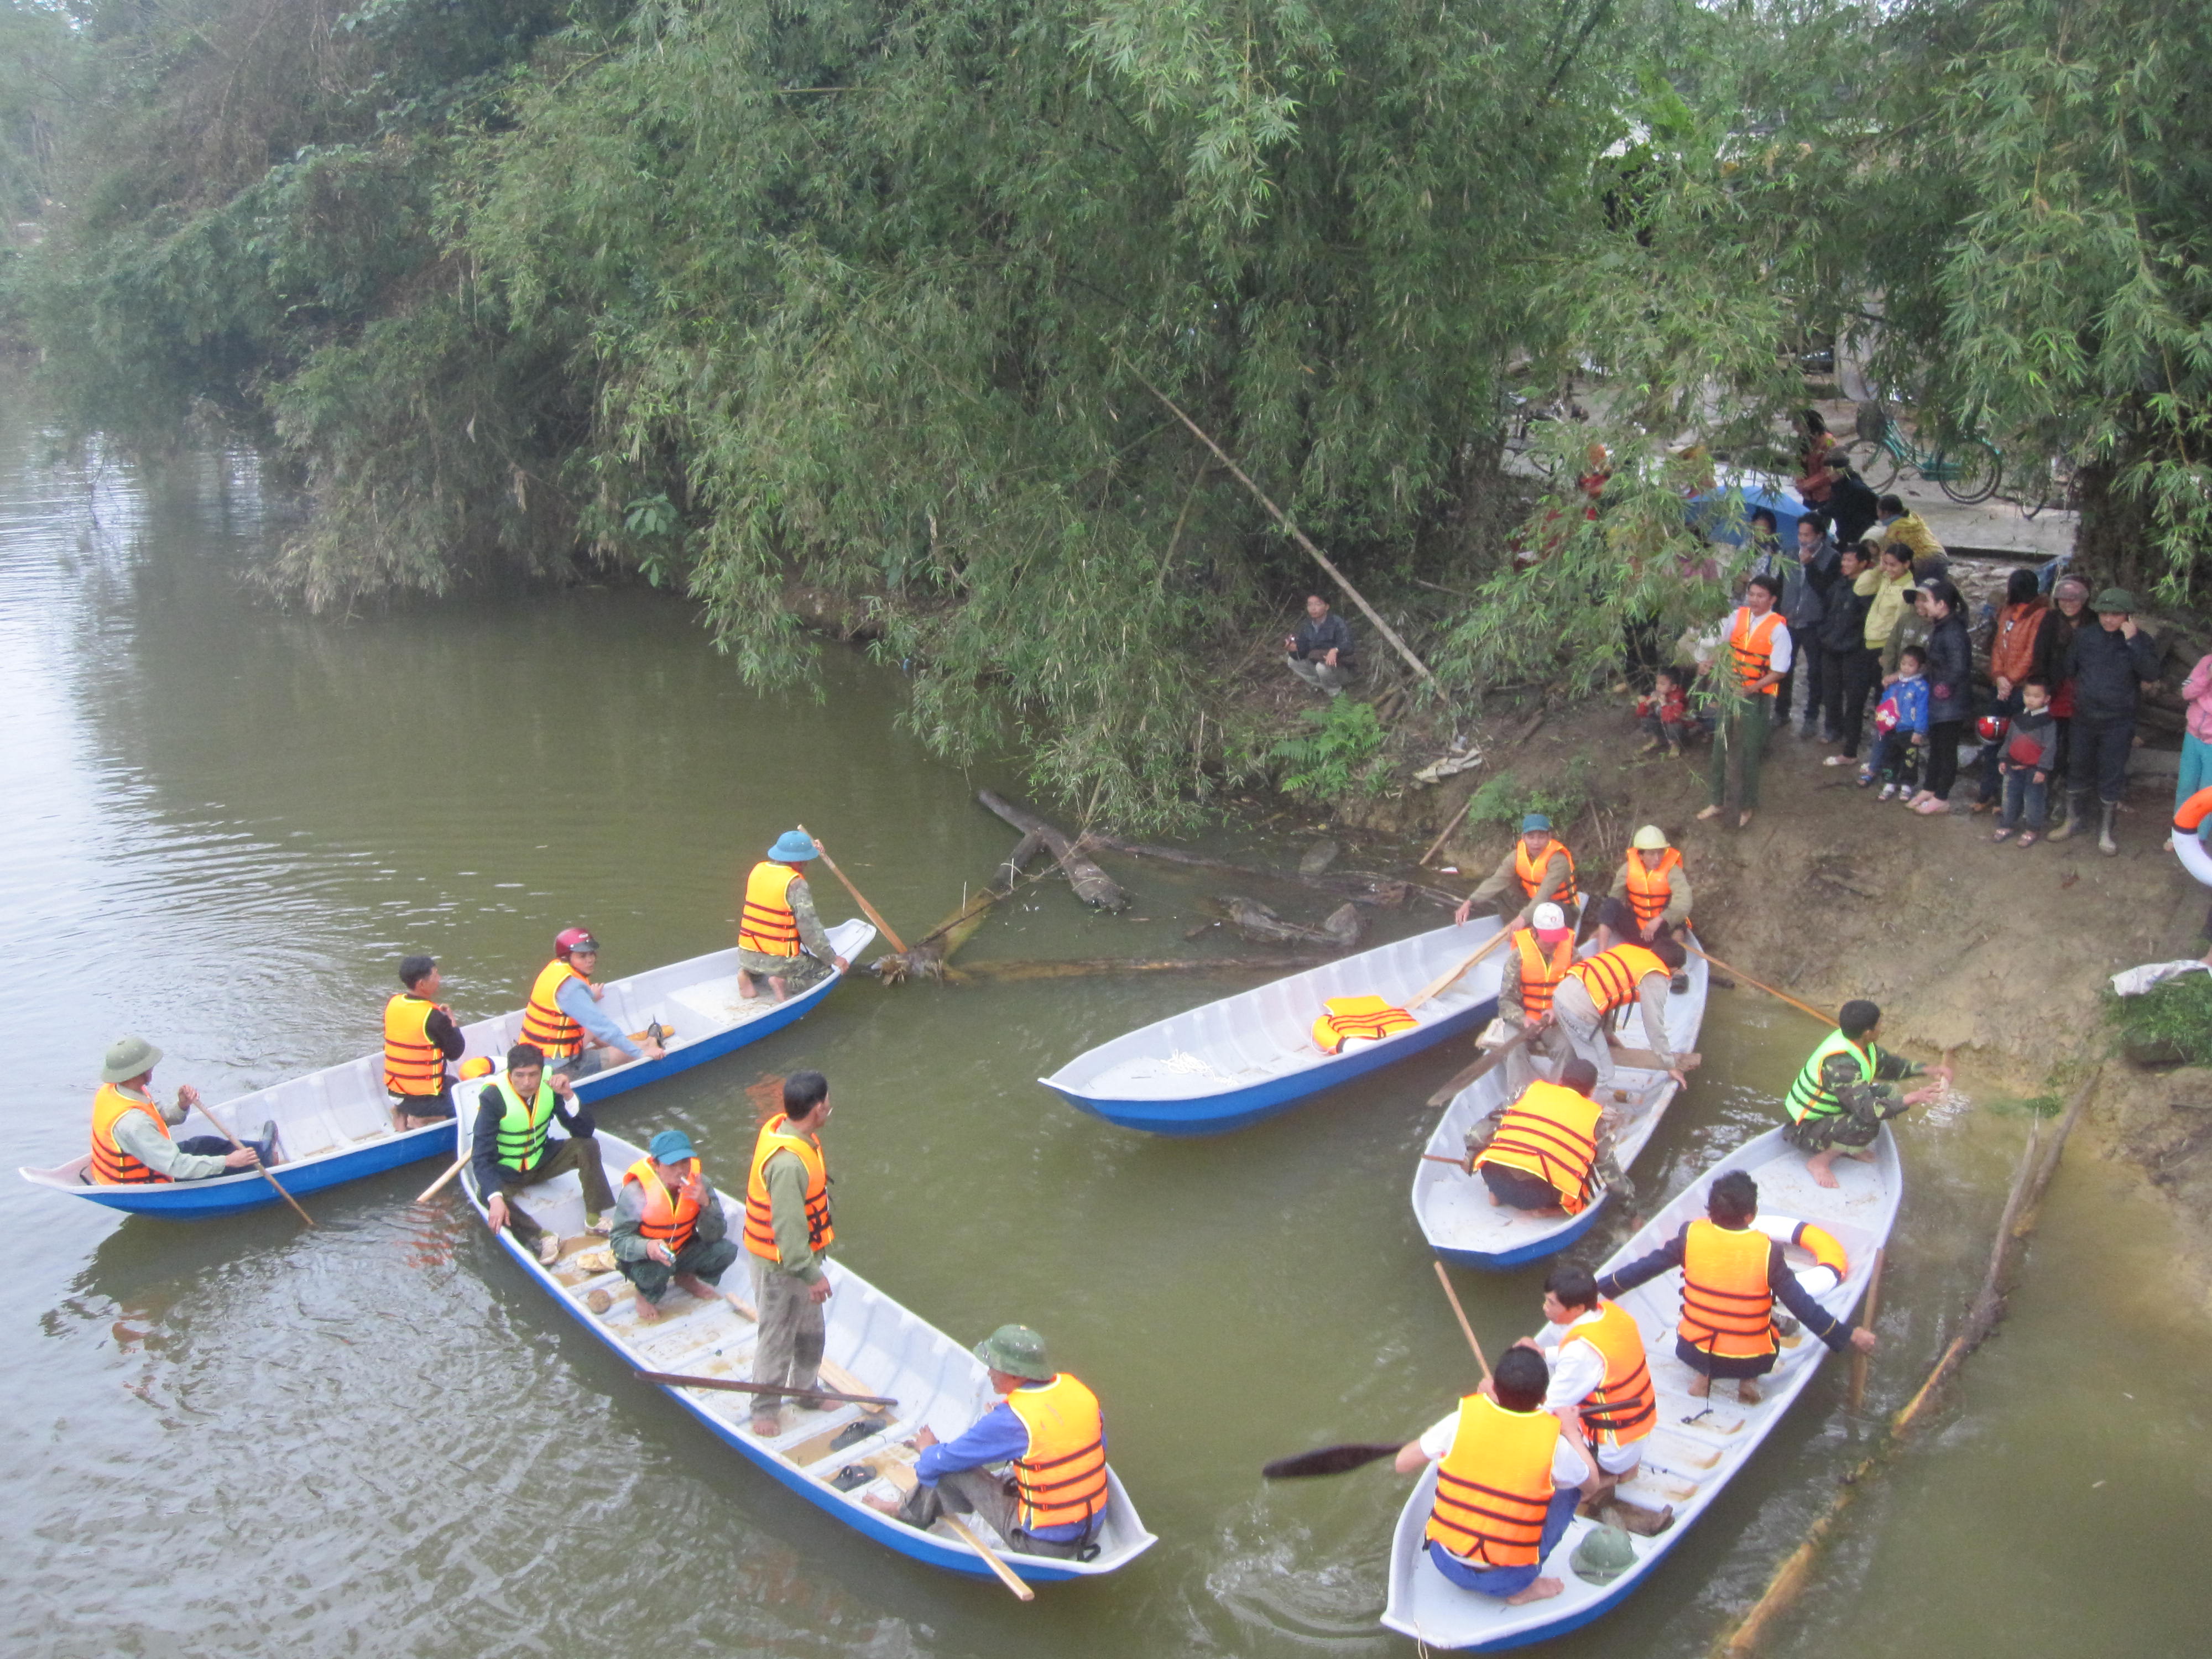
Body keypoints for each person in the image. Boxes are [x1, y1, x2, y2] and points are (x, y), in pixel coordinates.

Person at [1595, 1170, 1876, 1405]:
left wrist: (1600, 1288)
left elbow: (1644, 1268)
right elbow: (1802, 1306)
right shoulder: (1768, 1252)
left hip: (1691, 1351)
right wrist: (1848, 1335)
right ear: (1751, 1215)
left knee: (1707, 1325)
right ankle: (1748, 1382)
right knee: (1773, 1326)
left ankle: (1702, 1379)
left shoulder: (1689, 1236)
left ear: (1709, 1211)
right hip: (1752, 1360)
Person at [866, 1323, 1111, 1559]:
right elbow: (1087, 1447)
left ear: (1015, 1374)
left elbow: (939, 1464)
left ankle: (903, 1513)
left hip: (1044, 1546)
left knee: (948, 1469)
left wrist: (927, 1448)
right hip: (1092, 1528)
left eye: (994, 1366)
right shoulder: (1079, 1393)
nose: (989, 1373)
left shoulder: (1010, 1420)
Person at [1395, 1345, 1595, 1605]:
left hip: (1443, 1562)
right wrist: (1571, 1432)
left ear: (1495, 1388)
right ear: (1544, 1398)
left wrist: (1433, 1436)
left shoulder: (1459, 1421)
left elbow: (1402, 1463)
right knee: (1572, 1487)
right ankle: (1525, 1588)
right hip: (1509, 1580)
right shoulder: (1555, 1444)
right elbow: (1592, 1483)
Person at [1521, 1263, 1670, 1534]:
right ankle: (1624, 1471)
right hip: (1637, 1433)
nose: (1545, 1308)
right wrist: (1543, 1353)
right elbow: (1590, 1359)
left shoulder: (1580, 1352)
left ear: (1577, 1309)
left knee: (1543, 1433)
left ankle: (1596, 1483)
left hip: (1610, 1450)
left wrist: (1502, 1397)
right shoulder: (1611, 1316)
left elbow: (1548, 1411)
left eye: (1552, 1303)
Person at [742, 1070, 837, 1438]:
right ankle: (764, 1406)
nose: (830, 1108)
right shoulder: (786, 1163)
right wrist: (811, 1275)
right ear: (817, 1109)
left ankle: (806, 1390)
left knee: (812, 1331)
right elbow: (788, 1230)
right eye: (828, 1103)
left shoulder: (801, 1137)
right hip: (783, 1266)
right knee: (777, 1335)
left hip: (805, 1260)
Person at [1780, 1000, 1950, 1188]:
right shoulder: (1839, 1063)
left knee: (1890, 1093)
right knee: (1867, 1123)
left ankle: (1848, 1146)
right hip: (1804, 1129)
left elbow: (1890, 1066)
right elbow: (1868, 1110)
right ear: (1868, 1033)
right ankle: (1820, 1161)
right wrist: (1914, 1098)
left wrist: (1929, 1069)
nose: (1882, 1028)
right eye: (1879, 1025)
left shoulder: (1862, 1045)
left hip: (1828, 1115)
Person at [471, 1041, 613, 1262]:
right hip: (508, 1171)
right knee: (486, 1195)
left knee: (587, 1145)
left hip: (541, 1159)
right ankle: (541, 1237)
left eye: (532, 1075)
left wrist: (568, 1095)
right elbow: (480, 1156)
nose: (527, 1082)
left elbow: (584, 1131)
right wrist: (495, 1198)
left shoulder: (551, 1085)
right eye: (519, 1075)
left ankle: (594, 1218)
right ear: (510, 1074)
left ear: (541, 1072)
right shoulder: (493, 1098)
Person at [2049, 588, 2162, 855]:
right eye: (2104, 614)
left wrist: (2132, 642)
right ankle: (2072, 820)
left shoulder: (2139, 640)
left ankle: (2106, 831)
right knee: (2077, 767)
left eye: (2116, 614)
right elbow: (2070, 668)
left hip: (2118, 722)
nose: (2109, 620)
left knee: (2112, 773)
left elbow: (2151, 673)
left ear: (2128, 616)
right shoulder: (2086, 636)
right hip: (2084, 718)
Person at [88, 1036, 274, 1185]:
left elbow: (160, 1117)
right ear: (139, 1072)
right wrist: (229, 1161)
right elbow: (176, 1166)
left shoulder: (120, 1091)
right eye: (149, 1065)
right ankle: (270, 1161)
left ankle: (264, 1153)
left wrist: (182, 1105)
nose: (153, 1068)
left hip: (151, 1160)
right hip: (153, 1180)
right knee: (230, 1163)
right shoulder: (133, 1123)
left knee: (206, 1144)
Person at [611, 1128, 740, 1323]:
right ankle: (644, 1294)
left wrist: (706, 1205)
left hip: (682, 1248)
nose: (681, 1170)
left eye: (685, 1163)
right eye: (672, 1165)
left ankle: (685, 1276)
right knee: (655, 1271)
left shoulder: (701, 1184)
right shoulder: (636, 1193)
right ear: (656, 1165)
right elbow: (618, 1240)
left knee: (726, 1251)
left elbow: (715, 1235)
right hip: (648, 1259)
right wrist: (647, 1248)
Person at [1465, 1058, 1622, 1217]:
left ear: (1560, 1081)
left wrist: (1469, 1159)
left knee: (1499, 1131)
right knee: (1586, 1165)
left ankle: (1496, 1195)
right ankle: (1549, 1211)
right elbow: (1610, 1172)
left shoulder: (1529, 1091)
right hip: (1536, 1196)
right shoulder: (1595, 1118)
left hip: (1495, 1176)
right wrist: (1631, 1210)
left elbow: (1479, 1130)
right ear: (1591, 1091)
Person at [1697, 573, 1788, 830]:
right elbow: (1723, 647)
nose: (1755, 599)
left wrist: (1751, 689)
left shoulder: (1779, 630)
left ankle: (1747, 805)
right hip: (1731, 689)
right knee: (1720, 744)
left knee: (1749, 750)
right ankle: (1717, 800)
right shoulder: (1737, 617)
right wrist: (1709, 663)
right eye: (1752, 594)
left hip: (1755, 697)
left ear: (1772, 599)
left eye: (1761, 595)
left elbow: (1779, 670)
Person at [521, 929, 665, 1079]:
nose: (590, 960)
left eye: (591, 954)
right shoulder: (571, 988)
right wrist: (640, 1054)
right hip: (560, 1068)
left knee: (589, 1029)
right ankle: (649, 1045)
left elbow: (566, 1002)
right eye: (582, 956)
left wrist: (590, 996)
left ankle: (611, 1048)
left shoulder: (555, 969)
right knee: (625, 1048)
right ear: (567, 957)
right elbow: (603, 1027)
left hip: (534, 1055)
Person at [1550, 936, 1689, 1088]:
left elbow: (1604, 993)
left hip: (1560, 996)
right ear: (1673, 969)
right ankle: (1584, 1109)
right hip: (1578, 1012)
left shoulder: (1631, 951)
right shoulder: (1655, 975)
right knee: (1602, 1074)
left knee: (1585, 1056)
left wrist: (1607, 1033)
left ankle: (1563, 1091)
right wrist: (1670, 1066)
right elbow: (1654, 1025)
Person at [1974, 569, 2058, 814]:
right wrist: (1999, 677)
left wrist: (2010, 680)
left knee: (2017, 746)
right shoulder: (2007, 611)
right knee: (1992, 739)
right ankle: (1987, 791)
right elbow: (1998, 647)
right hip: (2001, 687)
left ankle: (2008, 800)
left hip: (2021, 689)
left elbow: (2031, 653)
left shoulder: (2041, 615)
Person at [738, 832, 852, 1001]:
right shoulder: (795, 884)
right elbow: (809, 930)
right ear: (797, 861)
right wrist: (833, 958)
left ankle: (746, 973)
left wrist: (812, 846)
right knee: (826, 975)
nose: (806, 864)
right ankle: (783, 983)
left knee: (761, 961)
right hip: (779, 960)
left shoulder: (758, 870)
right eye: (805, 860)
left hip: (746, 954)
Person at [1488, 901, 1579, 1093]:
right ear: (1534, 933)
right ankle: (1519, 1096)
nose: (1553, 944)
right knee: (1514, 1049)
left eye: (1556, 938)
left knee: (1567, 1048)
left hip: (1556, 1021)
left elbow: (1581, 992)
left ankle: (1558, 1095)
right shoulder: (1517, 958)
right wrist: (1523, 1019)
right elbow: (1505, 1001)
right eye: (1547, 939)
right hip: (1524, 1019)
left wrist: (1558, 1011)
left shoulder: (1572, 955)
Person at [1906, 580, 1971, 813]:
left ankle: (1942, 796)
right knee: (1935, 747)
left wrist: (1945, 686)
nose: (1922, 604)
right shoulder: (1942, 626)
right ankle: (1930, 787)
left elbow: (1960, 666)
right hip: (1938, 698)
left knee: (1946, 748)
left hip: (1949, 702)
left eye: (1927, 600)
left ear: (1942, 604)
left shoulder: (1954, 631)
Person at [384, 954, 466, 1129]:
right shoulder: (433, 1016)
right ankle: (423, 1119)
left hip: (396, 1092)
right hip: (421, 1101)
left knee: (451, 1083)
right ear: (422, 984)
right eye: (435, 975)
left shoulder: (394, 1003)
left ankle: (400, 1111)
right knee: (468, 1101)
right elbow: (456, 1052)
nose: (439, 979)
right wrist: (452, 1021)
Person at [1455, 813, 1579, 930]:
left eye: (1541, 837)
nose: (1536, 842)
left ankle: (1527, 927)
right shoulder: (1516, 856)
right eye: (1531, 837)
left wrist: (1523, 917)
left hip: (1559, 908)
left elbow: (1544, 895)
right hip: (1532, 903)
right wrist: (1470, 902)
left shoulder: (1558, 860)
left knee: (1546, 910)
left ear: (1549, 837)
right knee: (1503, 889)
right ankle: (1515, 930)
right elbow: (1497, 880)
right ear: (1523, 837)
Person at [1777, 518, 1839, 736]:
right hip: (1789, 621)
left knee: (1815, 672)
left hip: (1815, 624)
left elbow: (1827, 591)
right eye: (1800, 535)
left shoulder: (1832, 558)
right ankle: (1781, 711)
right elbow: (1780, 583)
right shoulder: (1790, 553)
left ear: (1820, 535)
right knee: (1783, 667)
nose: (1803, 540)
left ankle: (1811, 717)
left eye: (1808, 535)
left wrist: (1810, 565)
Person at [1819, 542, 1879, 766]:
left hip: (1855, 651)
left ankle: (1851, 744)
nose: (1844, 564)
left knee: (1855, 700)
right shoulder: (1839, 585)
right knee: (1831, 692)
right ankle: (1834, 728)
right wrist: (1825, 634)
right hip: (1831, 645)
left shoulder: (1868, 591)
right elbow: (1828, 610)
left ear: (1863, 564)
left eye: (1849, 561)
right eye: (1843, 560)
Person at [1594, 825, 1691, 953]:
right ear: (1640, 855)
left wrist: (1659, 920)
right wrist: (1603, 925)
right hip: (1636, 929)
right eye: (1651, 854)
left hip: (1661, 931)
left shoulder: (1673, 872)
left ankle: (1672, 956)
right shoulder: (1627, 870)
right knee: (1610, 903)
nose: (1657, 858)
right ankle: (1602, 953)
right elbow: (1615, 899)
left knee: (1680, 921)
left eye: (1660, 852)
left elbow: (1685, 902)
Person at [2042, 576, 2091, 821]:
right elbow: (2040, 655)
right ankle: (2048, 794)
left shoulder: (2093, 621)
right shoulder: (2050, 620)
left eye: (2076, 598)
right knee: (2053, 747)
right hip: (2055, 691)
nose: (2069, 603)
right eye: (2064, 598)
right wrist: (2042, 688)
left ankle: (2071, 799)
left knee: (2077, 749)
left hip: (2084, 694)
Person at [1992, 679, 2059, 846]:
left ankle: (2032, 829)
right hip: (2013, 767)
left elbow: (2050, 747)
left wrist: (2043, 769)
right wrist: (2003, 758)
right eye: (2027, 695)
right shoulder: (2018, 718)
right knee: (2009, 797)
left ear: (2046, 699)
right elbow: (2009, 740)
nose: (2030, 699)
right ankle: (2008, 824)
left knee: (2033, 800)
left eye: (2036, 696)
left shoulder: (2048, 723)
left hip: (2034, 770)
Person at [1858, 644, 1929, 800]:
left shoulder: (1921, 687)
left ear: (1921, 667)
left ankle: (1907, 785)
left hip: (1909, 730)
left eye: (1911, 665)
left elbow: (1923, 711)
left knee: (1910, 758)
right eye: (1903, 664)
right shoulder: (1894, 683)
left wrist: (1919, 731)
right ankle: (1889, 782)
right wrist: (1881, 719)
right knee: (1890, 756)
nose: (1906, 668)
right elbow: (1885, 702)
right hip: (1892, 727)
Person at [1284, 593, 1357, 696]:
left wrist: (1335, 650)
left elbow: (1348, 644)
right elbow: (1302, 653)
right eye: (1310, 605)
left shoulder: (1337, 622)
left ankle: (1336, 694)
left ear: (1327, 607)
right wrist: (1293, 650)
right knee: (1292, 661)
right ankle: (1324, 686)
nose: (1313, 608)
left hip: (1342, 670)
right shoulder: (1307, 626)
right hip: (1320, 666)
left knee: (1322, 667)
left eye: (1317, 604)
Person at [1872, 495, 1947, 579]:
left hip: (1922, 562)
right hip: (1940, 556)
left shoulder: (1893, 531)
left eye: (1878, 511)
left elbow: (1885, 559)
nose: (1878, 515)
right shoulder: (1915, 517)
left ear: (1886, 513)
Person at [2178, 649, 2212, 813]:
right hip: (2192, 736)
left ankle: (2200, 837)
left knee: (2207, 794)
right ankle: (2178, 834)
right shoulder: (2206, 662)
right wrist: (2207, 678)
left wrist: (2201, 698)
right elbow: (2186, 693)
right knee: (2186, 787)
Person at [1793, 410, 1838, 529]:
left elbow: (1828, 472)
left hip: (1824, 496)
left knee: (1820, 529)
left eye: (1802, 431)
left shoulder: (1829, 441)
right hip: (1808, 496)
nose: (1801, 434)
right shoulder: (1803, 441)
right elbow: (1799, 464)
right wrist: (1799, 480)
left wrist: (1807, 485)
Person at [1634, 665, 1689, 756]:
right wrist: (1647, 703)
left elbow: (1670, 718)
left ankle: (1675, 744)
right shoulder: (1657, 694)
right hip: (1663, 724)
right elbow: (1640, 713)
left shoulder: (1678, 699)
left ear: (1673, 687)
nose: (1658, 687)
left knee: (1675, 724)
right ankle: (1657, 739)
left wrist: (1664, 704)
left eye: (1663, 684)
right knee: (1647, 718)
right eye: (1657, 683)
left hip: (1677, 726)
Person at [1825, 457, 1880, 546]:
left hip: (1858, 534)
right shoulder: (1839, 485)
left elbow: (1875, 502)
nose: (1827, 475)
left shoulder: (1855, 487)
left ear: (1840, 472)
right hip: (1846, 533)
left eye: (1829, 471)